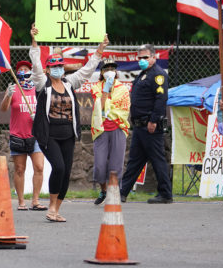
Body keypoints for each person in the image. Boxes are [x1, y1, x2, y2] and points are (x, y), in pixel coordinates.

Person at [30, 25, 107, 222]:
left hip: (68, 134)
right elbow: (36, 65)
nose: (57, 68)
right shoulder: (42, 84)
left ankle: (55, 209)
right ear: (48, 69)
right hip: (50, 135)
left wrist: (99, 50)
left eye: (60, 66)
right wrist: (34, 41)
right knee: (59, 167)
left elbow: (87, 71)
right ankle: (51, 207)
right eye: (54, 66)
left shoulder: (69, 83)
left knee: (66, 172)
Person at [119, 44, 172, 204]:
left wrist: (154, 120)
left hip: (150, 125)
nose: (141, 60)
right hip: (139, 126)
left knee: (157, 159)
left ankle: (165, 194)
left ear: (154, 57)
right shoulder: (143, 74)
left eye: (145, 57)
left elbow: (161, 99)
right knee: (135, 161)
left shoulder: (158, 75)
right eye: (139, 57)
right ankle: (122, 192)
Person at [1, 60, 46, 211]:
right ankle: (21, 201)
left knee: (39, 167)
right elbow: (3, 109)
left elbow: (45, 109)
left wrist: (37, 117)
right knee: (20, 169)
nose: (23, 71)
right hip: (18, 135)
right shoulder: (13, 88)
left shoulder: (37, 89)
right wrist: (8, 95)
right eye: (20, 69)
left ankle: (35, 200)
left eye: (26, 68)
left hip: (35, 136)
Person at [91, 59, 130, 205]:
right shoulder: (96, 87)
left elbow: (124, 110)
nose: (110, 71)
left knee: (116, 164)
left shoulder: (123, 89)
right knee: (100, 166)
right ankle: (103, 190)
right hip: (101, 129)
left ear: (116, 71)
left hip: (118, 128)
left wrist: (110, 109)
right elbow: (100, 107)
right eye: (106, 68)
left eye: (112, 68)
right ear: (101, 72)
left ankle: (114, 194)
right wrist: (106, 90)